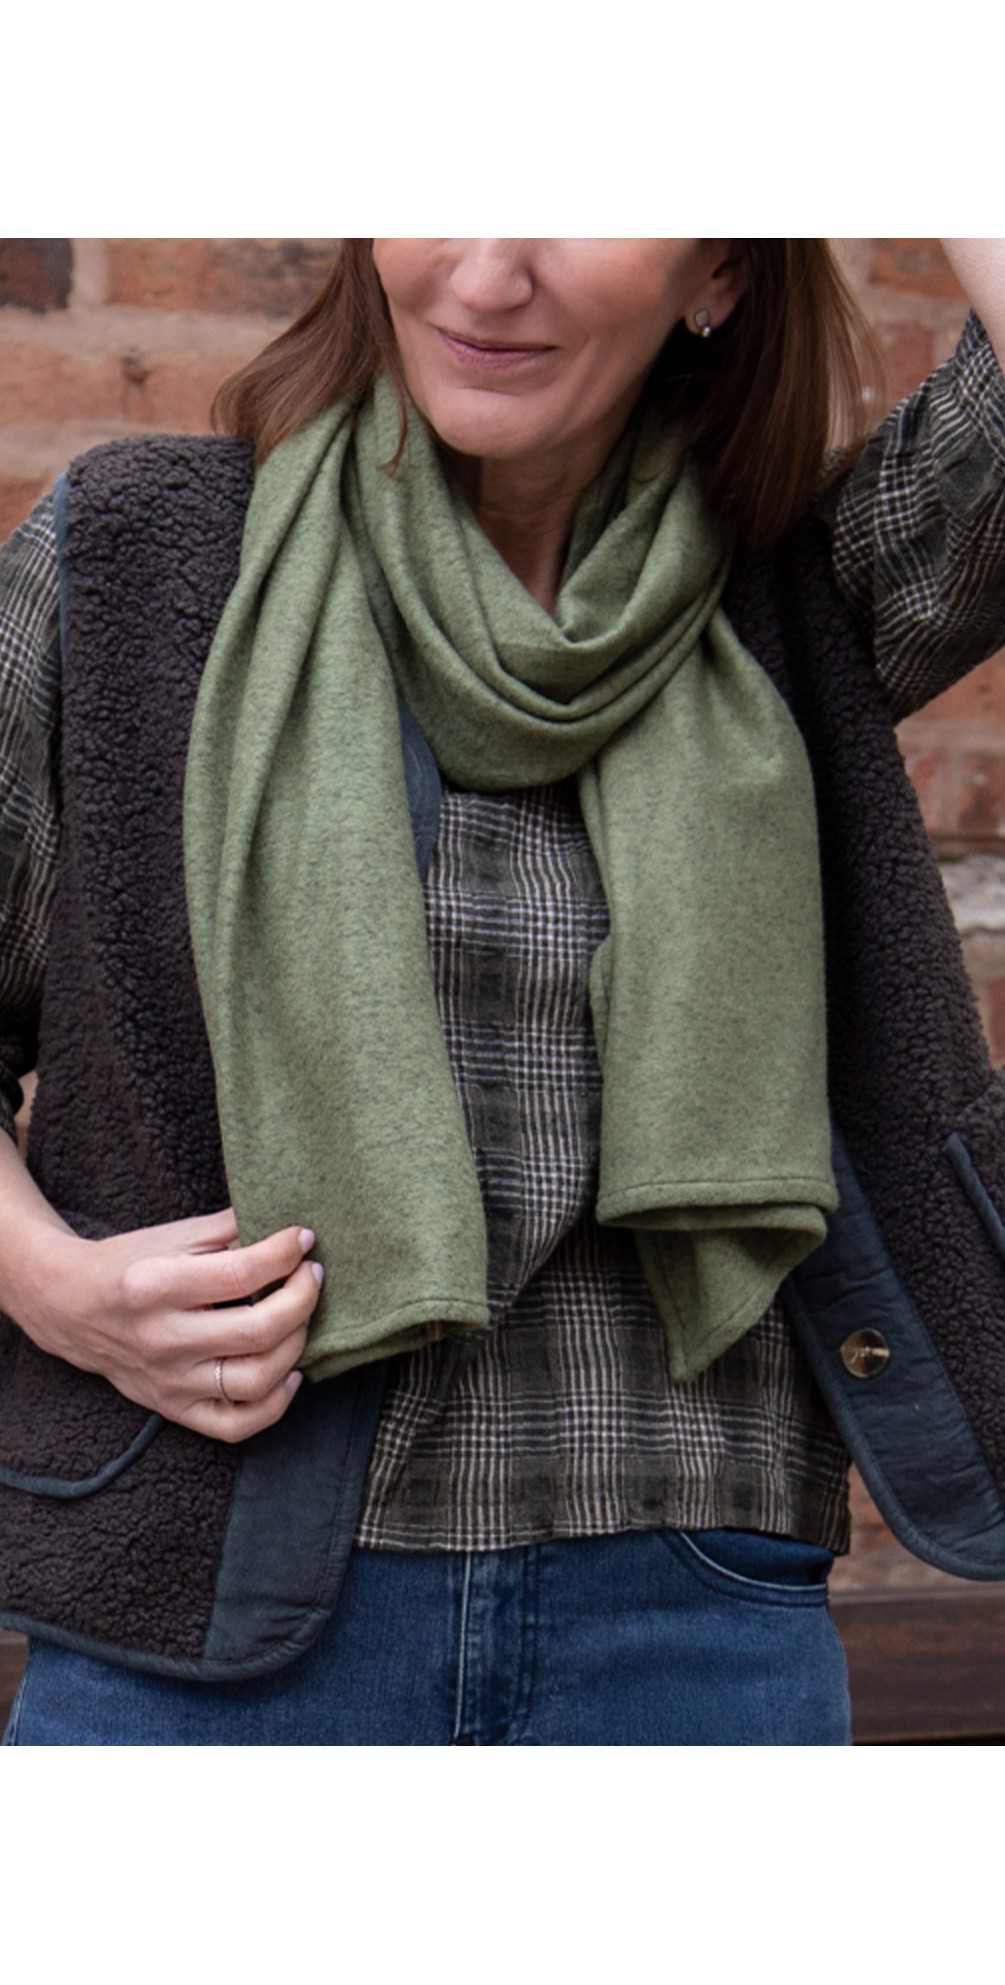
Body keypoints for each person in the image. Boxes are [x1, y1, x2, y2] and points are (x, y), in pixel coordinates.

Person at [3, 238, 1005, 1747]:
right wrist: (52, 1285)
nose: (484, 277)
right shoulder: (141, 557)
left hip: (692, 1614)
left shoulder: (799, 584)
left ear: (719, 272)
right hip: (213, 1612)